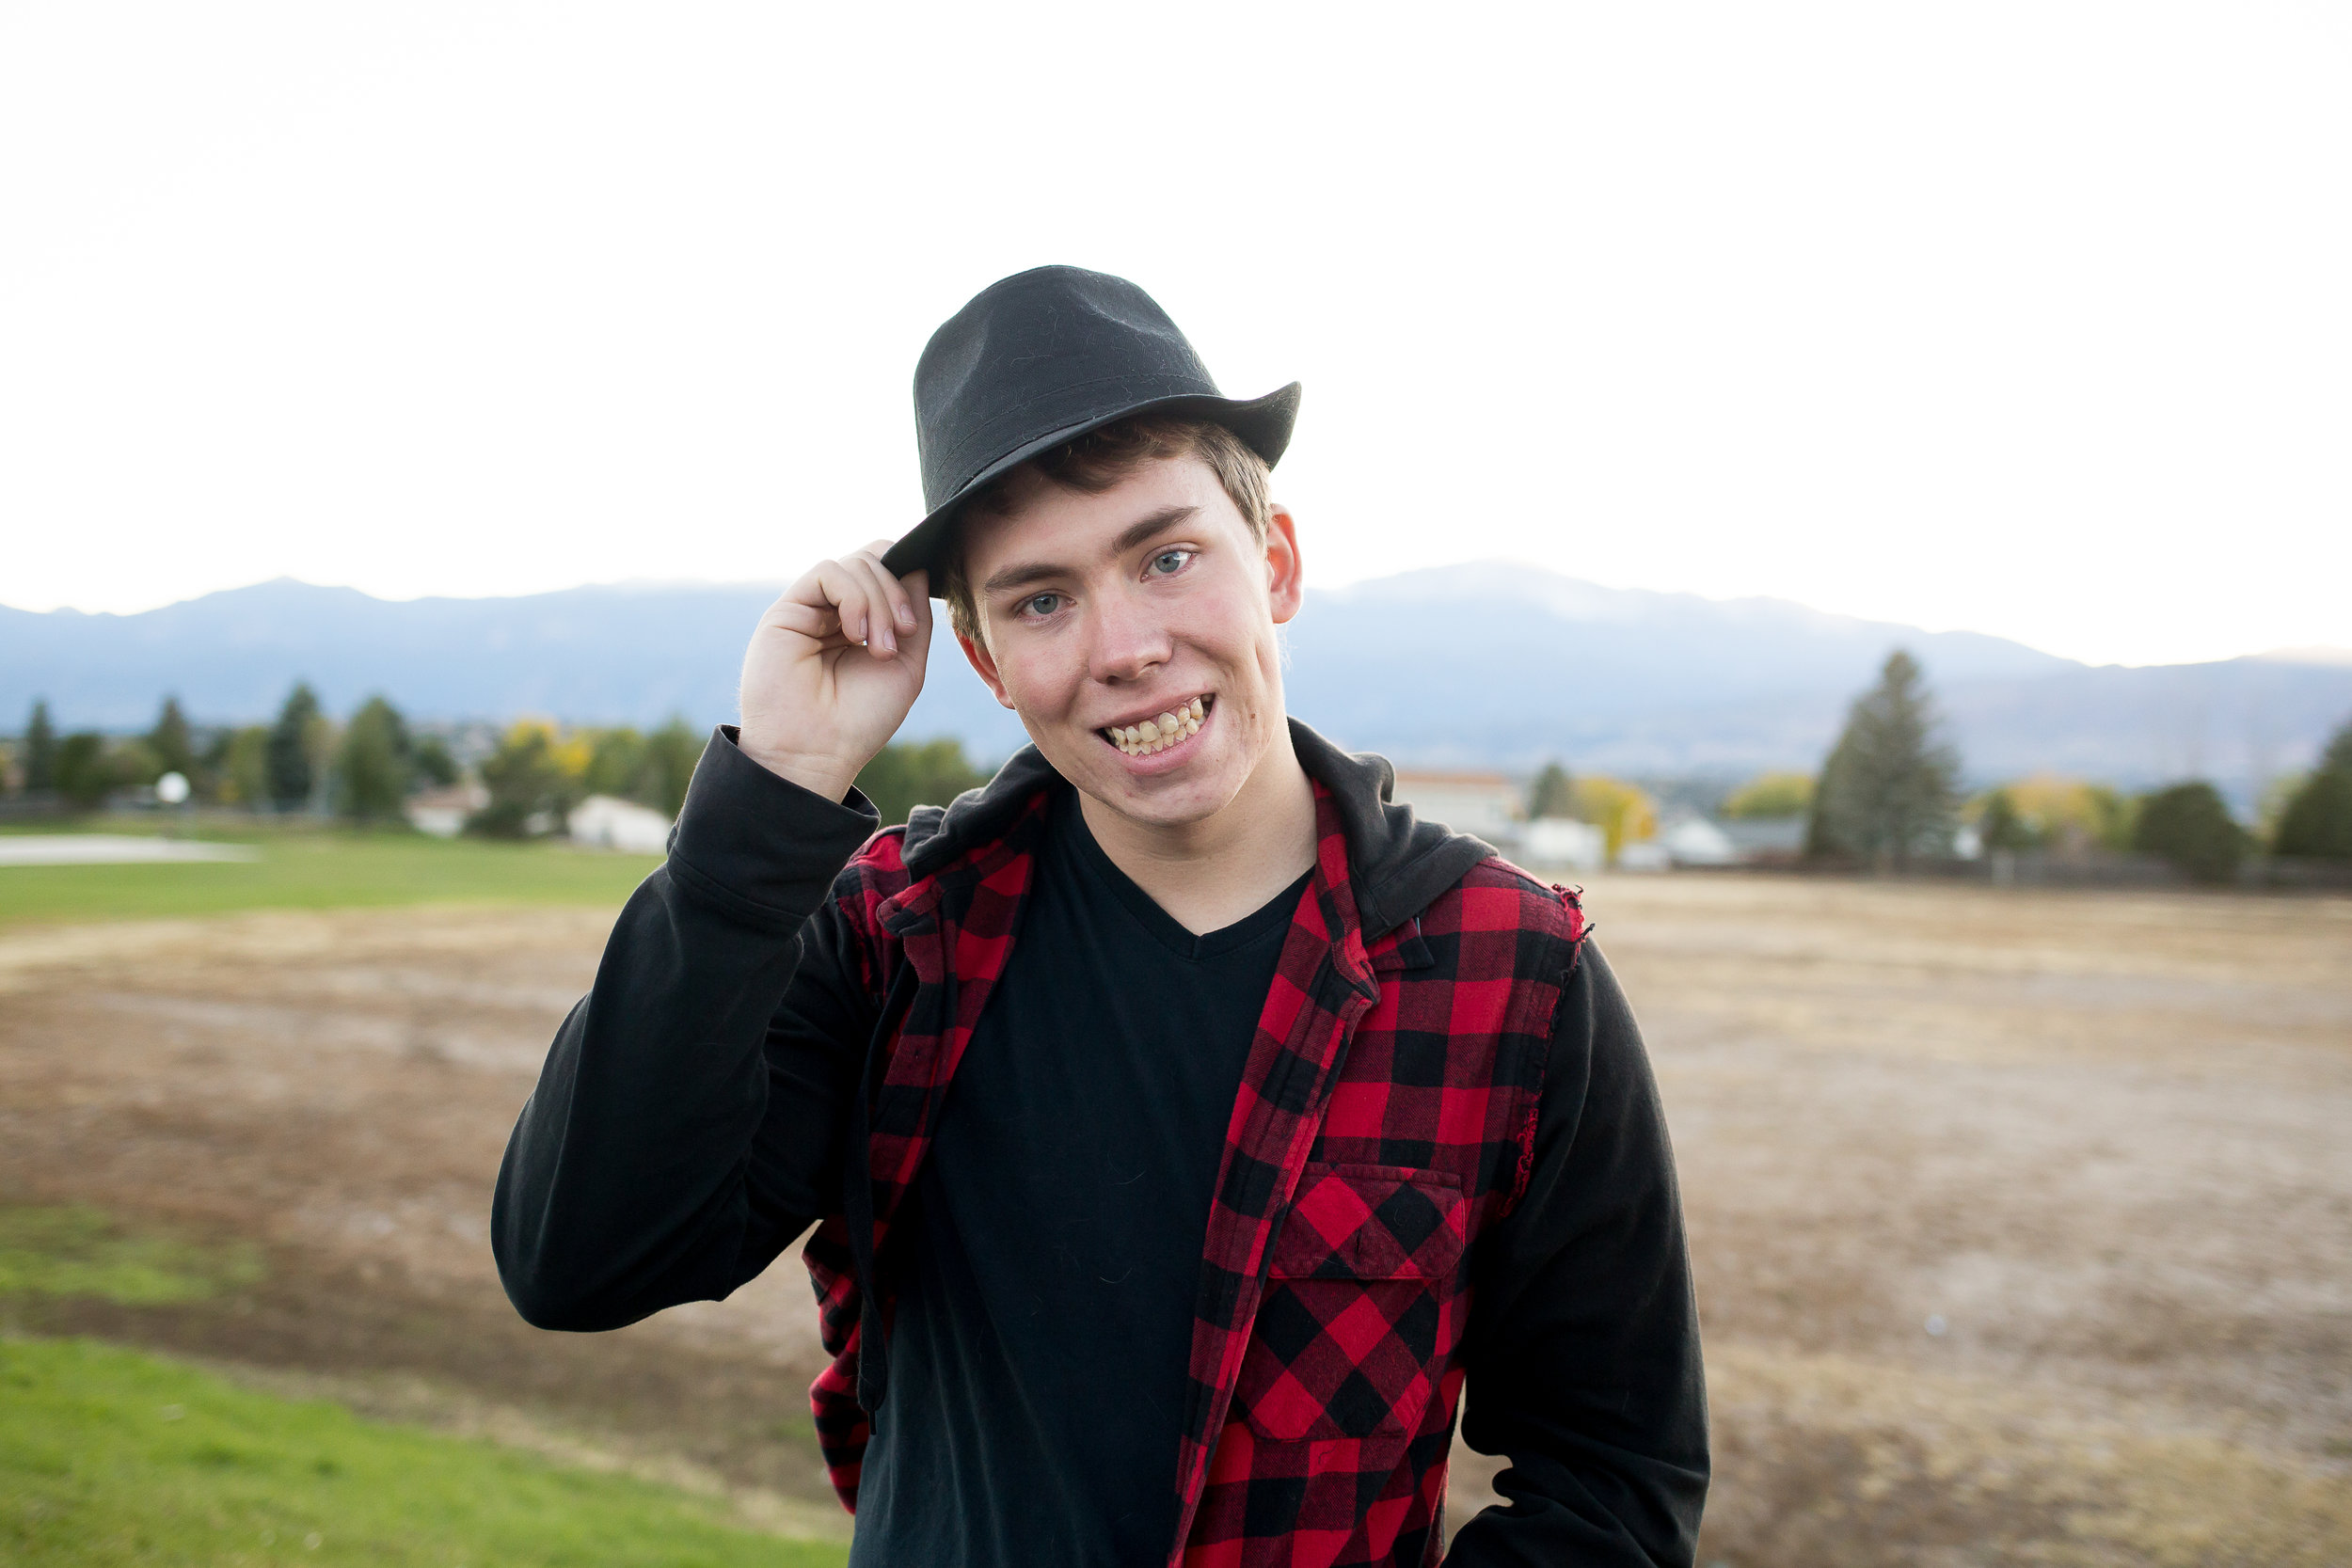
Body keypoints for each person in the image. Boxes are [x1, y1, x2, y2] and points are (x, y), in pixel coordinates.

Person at [492, 265, 1708, 1566]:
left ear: (1277, 565)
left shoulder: (1510, 973)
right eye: (1041, 599)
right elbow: (582, 1263)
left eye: (1168, 557)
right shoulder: (891, 940)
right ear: (985, 662)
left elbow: (1612, 1478)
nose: (1123, 646)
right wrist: (770, 804)